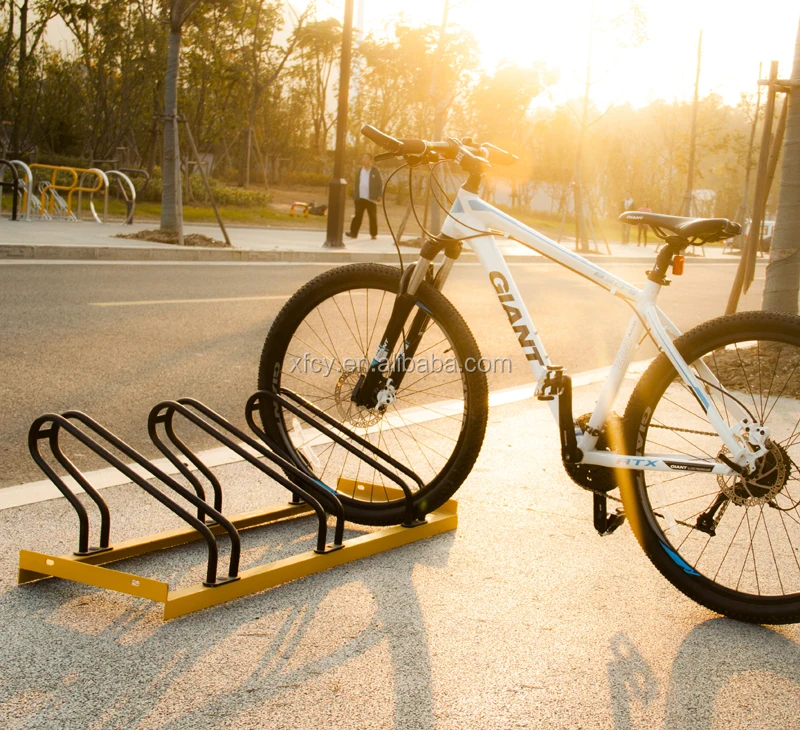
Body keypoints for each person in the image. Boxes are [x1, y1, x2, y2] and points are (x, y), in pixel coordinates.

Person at [346, 153, 382, 240]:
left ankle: (373, 234)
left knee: (372, 216)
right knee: (357, 215)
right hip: (360, 197)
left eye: (366, 158)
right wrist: (355, 195)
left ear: (370, 160)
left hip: (371, 198)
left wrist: (379, 194)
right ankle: (353, 233)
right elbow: (356, 183)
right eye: (363, 158)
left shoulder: (375, 171)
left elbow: (379, 184)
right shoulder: (360, 170)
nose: (364, 160)